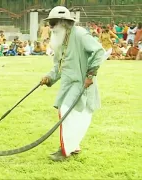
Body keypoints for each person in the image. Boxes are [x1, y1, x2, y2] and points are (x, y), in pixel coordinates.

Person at [40, 6, 105, 161]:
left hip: (81, 81)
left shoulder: (81, 34)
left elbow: (98, 51)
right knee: (67, 112)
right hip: (67, 83)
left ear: (64, 22)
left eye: (54, 23)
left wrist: (91, 73)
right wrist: (49, 77)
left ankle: (65, 151)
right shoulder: (59, 39)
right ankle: (73, 146)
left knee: (66, 111)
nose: (51, 27)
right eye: (51, 23)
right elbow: (59, 66)